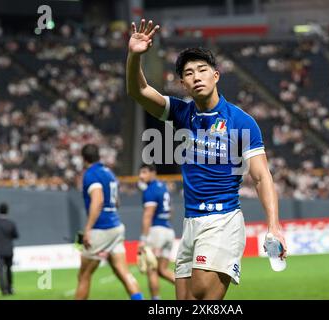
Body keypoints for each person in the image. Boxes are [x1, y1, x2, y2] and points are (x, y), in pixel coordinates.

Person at [126, 19, 287, 300]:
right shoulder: (180, 113)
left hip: (222, 221)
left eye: (202, 70)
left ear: (216, 75)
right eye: (189, 73)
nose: (196, 76)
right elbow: (138, 91)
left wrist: (274, 225)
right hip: (191, 223)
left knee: (201, 293)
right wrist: (135, 55)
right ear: (183, 83)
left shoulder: (241, 121)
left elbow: (262, 177)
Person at [75, 144, 143, 300]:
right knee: (123, 271)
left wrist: (88, 229)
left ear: (84, 159)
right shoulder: (109, 173)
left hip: (101, 228)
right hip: (116, 226)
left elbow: (98, 200)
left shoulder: (91, 174)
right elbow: (117, 202)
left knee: (84, 275)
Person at [138, 163, 175, 300]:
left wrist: (143, 239)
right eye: (140, 173)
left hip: (156, 231)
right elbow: (171, 211)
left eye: (144, 172)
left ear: (153, 173)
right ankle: (188, 291)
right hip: (168, 230)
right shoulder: (164, 188)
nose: (141, 176)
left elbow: (148, 216)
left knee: (151, 270)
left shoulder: (150, 190)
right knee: (162, 270)